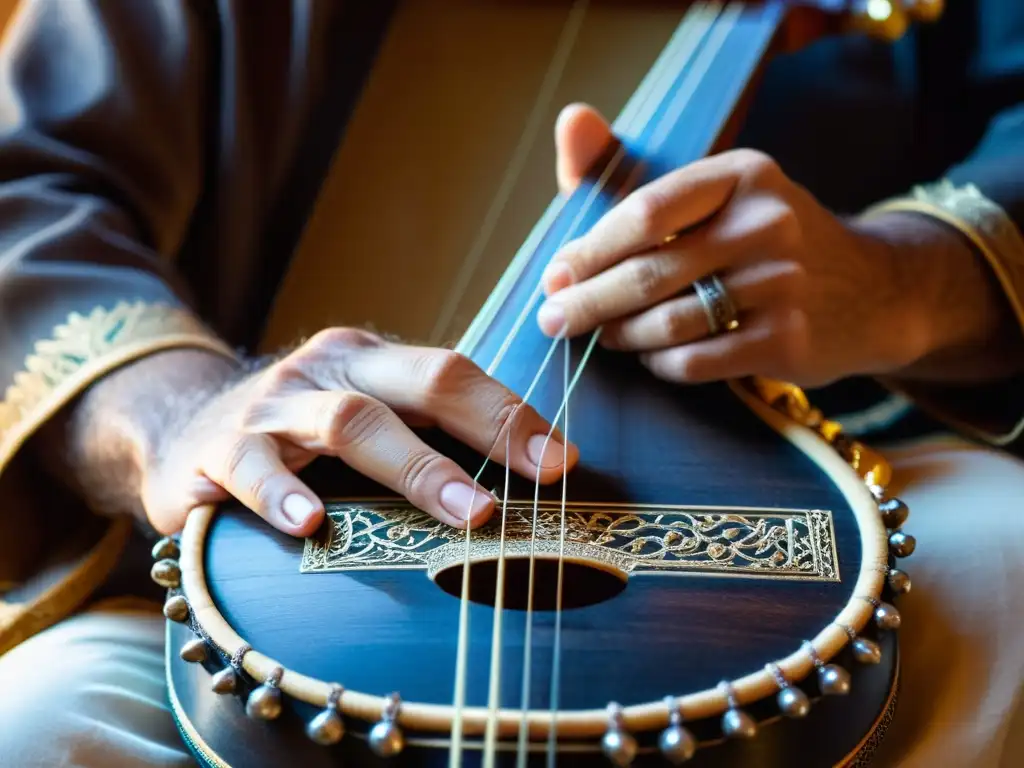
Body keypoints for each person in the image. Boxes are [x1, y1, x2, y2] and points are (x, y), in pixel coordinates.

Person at [0, 1, 1023, 767]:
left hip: (812, 537)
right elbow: (33, 190)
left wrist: (902, 279)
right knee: (41, 721)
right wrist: (179, 411)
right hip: (236, 576)